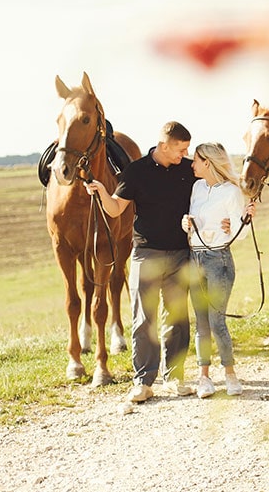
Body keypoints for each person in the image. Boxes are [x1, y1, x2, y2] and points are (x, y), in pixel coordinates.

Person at [84, 121, 196, 403]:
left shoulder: (189, 170)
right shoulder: (136, 171)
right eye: (180, 149)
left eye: (186, 149)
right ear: (163, 145)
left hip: (181, 253)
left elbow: (215, 190)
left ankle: (175, 377)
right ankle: (143, 382)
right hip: (146, 254)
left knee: (178, 319)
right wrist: (100, 192)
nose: (184, 154)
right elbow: (115, 209)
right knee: (144, 319)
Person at [181, 142, 255, 399]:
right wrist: (186, 223)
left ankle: (230, 374)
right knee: (201, 323)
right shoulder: (196, 188)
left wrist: (236, 223)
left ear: (208, 163)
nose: (192, 165)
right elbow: (192, 221)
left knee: (216, 321)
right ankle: (203, 378)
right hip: (195, 258)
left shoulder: (231, 192)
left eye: (196, 160)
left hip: (218, 260)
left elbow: (242, 232)